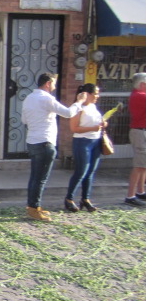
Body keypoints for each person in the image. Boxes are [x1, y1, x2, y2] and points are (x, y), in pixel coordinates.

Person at [21, 73, 87, 221]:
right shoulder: (47, 99)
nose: (55, 86)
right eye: (54, 83)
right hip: (45, 142)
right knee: (40, 179)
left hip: (32, 141)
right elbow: (69, 113)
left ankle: (33, 206)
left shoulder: (28, 98)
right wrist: (79, 101)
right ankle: (34, 208)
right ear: (47, 83)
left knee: (35, 177)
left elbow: (24, 120)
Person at [64, 83, 106, 213]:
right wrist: (93, 128)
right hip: (82, 141)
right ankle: (69, 199)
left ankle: (85, 198)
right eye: (95, 94)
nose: (97, 96)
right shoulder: (78, 107)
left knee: (90, 171)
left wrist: (102, 124)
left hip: (96, 140)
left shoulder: (93, 106)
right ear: (87, 94)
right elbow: (74, 128)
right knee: (81, 171)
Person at [124, 72, 146, 207]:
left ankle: (140, 191)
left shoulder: (137, 95)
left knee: (143, 165)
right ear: (142, 84)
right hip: (140, 132)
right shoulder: (140, 96)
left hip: (141, 131)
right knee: (139, 165)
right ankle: (130, 195)